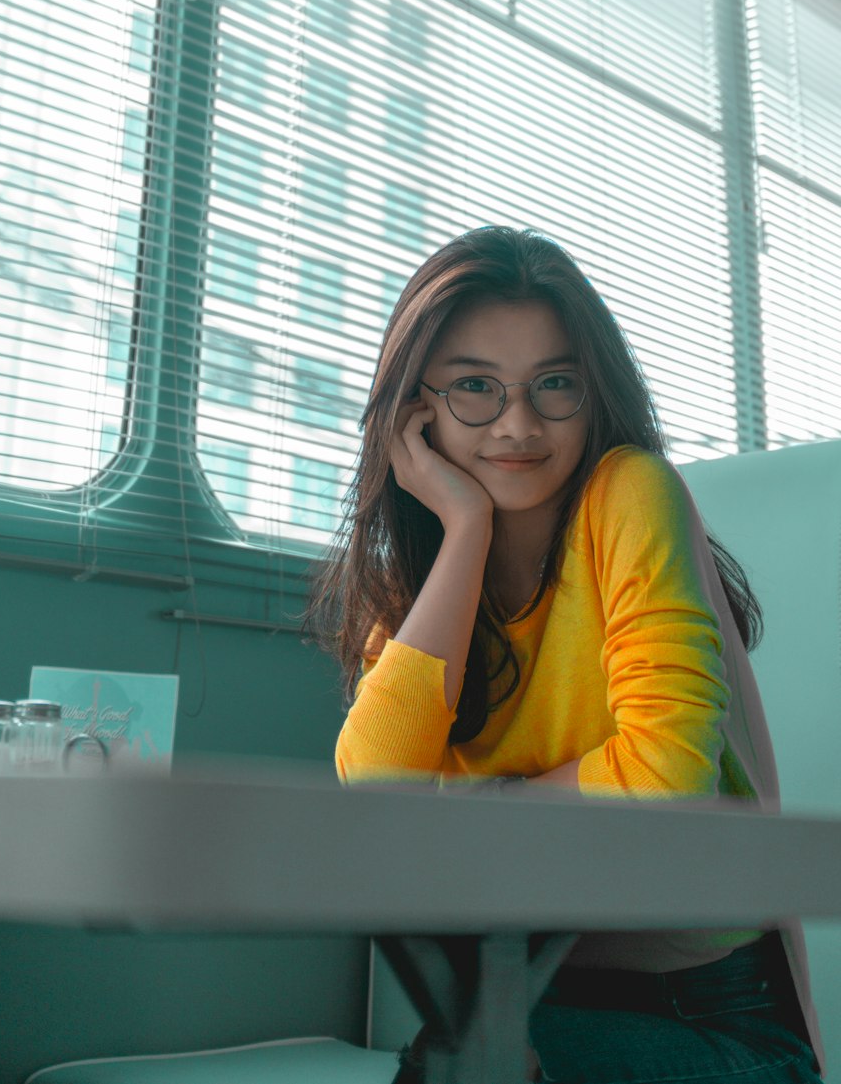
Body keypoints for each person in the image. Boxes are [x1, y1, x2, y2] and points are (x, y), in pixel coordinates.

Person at [302, 225, 826, 1083]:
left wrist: (474, 809)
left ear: (593, 393)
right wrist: (466, 529)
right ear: (414, 412)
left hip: (713, 1021)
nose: (518, 424)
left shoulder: (629, 491)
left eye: (554, 384)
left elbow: (663, 780)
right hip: (521, 1012)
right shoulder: (429, 584)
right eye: (474, 386)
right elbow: (378, 797)